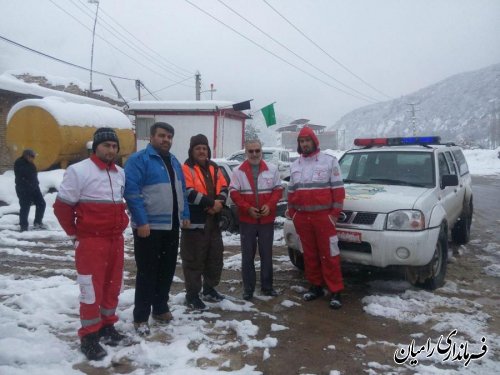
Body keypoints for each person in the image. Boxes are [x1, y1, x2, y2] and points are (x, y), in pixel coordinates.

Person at [53, 127, 129, 360]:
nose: (111, 150)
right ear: (95, 147)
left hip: (115, 239)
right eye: (106, 145)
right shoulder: (79, 171)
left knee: (112, 285)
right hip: (91, 241)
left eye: (114, 146)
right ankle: (89, 336)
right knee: (90, 290)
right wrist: (75, 234)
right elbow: (62, 207)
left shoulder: (119, 173)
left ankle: (107, 326)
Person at [124, 122, 190, 336]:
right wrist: (141, 221)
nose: (166, 140)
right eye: (162, 136)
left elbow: (181, 190)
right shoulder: (139, 160)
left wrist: (185, 214)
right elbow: (132, 193)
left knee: (167, 269)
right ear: (151, 137)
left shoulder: (173, 161)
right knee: (147, 272)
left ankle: (160, 308)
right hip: (149, 227)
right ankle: (141, 317)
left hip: (171, 225)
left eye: (169, 136)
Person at [287, 126, 346, 309]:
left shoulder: (329, 161)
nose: (305, 144)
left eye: (307, 141)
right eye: (302, 141)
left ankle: (335, 290)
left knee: (330, 254)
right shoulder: (295, 165)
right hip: (303, 218)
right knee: (309, 255)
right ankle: (315, 287)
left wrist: (333, 216)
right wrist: (294, 214)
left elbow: (338, 190)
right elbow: (291, 192)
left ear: (314, 141)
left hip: (323, 218)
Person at [229, 139, 283, 301]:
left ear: (261, 151)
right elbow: (234, 193)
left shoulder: (272, 169)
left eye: (257, 151)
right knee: (248, 255)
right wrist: (247, 208)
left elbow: (278, 189)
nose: (254, 154)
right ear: (246, 152)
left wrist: (270, 205)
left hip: (266, 219)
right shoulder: (238, 171)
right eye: (250, 151)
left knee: (267, 255)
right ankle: (248, 288)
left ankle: (267, 287)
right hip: (247, 220)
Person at [180, 134, 228, 310]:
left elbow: (224, 187)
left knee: (215, 257)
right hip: (194, 223)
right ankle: (192, 295)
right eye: (198, 148)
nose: (201, 151)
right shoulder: (186, 168)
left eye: (204, 148)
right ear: (192, 151)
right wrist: (211, 203)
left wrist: (219, 204)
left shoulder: (214, 167)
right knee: (193, 260)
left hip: (213, 222)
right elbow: (188, 192)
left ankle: (209, 289)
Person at [14, 148, 46, 231]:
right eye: (32, 156)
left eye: (34, 157)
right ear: (26, 156)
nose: (33, 158)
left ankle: (38, 223)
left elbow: (33, 175)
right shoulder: (19, 163)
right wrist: (29, 185)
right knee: (25, 207)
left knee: (41, 203)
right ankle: (23, 226)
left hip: (34, 188)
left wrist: (36, 183)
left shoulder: (30, 163)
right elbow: (24, 176)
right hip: (24, 189)